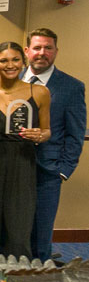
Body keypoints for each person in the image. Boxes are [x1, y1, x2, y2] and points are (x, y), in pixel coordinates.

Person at [0, 42, 51, 258]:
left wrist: (40, 135)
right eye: (4, 60)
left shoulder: (40, 92)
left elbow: (47, 131)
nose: (10, 65)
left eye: (15, 59)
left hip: (22, 163)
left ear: (23, 62)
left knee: (18, 230)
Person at [23, 28, 87, 261]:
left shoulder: (71, 87)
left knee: (40, 237)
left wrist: (63, 170)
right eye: (37, 48)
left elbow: (75, 134)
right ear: (27, 50)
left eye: (48, 48)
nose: (42, 53)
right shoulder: (10, 79)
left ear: (56, 52)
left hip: (48, 172)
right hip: (11, 168)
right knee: (12, 232)